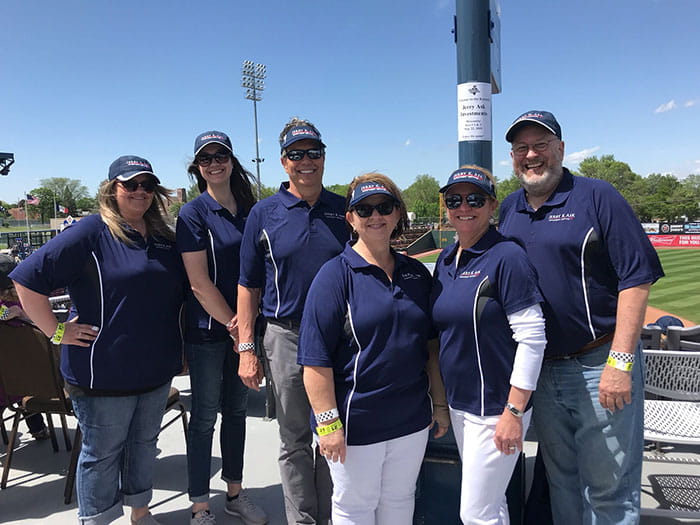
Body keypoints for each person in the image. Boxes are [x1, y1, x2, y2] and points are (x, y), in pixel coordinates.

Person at [499, 110, 665, 524]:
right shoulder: (508, 209)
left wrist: (620, 362)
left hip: (599, 364)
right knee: (563, 485)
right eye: (521, 148)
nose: (531, 154)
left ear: (560, 149)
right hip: (543, 370)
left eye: (540, 145)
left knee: (610, 490)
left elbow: (637, 278)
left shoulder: (596, 195)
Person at [11, 155, 186, 525]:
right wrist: (56, 331)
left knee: (143, 447)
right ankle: (97, 520)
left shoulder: (163, 238)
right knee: (102, 455)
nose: (140, 192)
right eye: (130, 184)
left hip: (155, 368)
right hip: (102, 372)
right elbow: (26, 279)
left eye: (147, 185)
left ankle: (140, 513)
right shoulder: (91, 232)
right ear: (112, 189)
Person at [298, 174, 449, 525]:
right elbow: (314, 360)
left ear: (398, 214)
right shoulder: (333, 276)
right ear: (350, 218)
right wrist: (327, 424)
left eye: (384, 207)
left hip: (411, 419)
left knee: (399, 501)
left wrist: (439, 406)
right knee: (355, 508)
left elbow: (430, 348)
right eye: (364, 209)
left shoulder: (415, 273)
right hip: (356, 424)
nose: (375, 216)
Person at [237, 118, 349, 524]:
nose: (307, 161)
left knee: (334, 434)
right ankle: (303, 519)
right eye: (297, 154)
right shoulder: (264, 213)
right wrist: (247, 348)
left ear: (323, 157)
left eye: (313, 153)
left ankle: (334, 515)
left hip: (339, 337)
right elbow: (247, 285)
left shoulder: (344, 209)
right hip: (285, 335)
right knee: (295, 439)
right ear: (284, 162)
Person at [430, 166, 546, 524]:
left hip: (497, 409)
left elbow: (532, 338)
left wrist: (513, 411)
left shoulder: (507, 256)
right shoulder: (446, 261)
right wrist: (442, 404)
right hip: (463, 407)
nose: (464, 206)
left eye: (475, 198)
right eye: (454, 199)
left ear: (492, 205)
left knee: (476, 512)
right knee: (493, 505)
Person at [176, 131, 267, 525]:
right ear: (197, 168)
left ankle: (234, 492)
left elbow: (262, 272)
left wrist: (246, 328)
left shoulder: (252, 209)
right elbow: (198, 282)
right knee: (204, 418)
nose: (214, 163)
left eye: (221, 155)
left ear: (232, 161)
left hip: (244, 330)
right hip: (210, 332)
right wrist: (235, 325)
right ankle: (200, 505)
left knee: (236, 412)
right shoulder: (193, 213)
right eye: (206, 158)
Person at [0, 253, 50, 441]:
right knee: (26, 378)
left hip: (6, 382)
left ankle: (36, 428)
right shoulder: (27, 302)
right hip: (34, 380)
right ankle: (37, 428)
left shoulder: (7, 309)